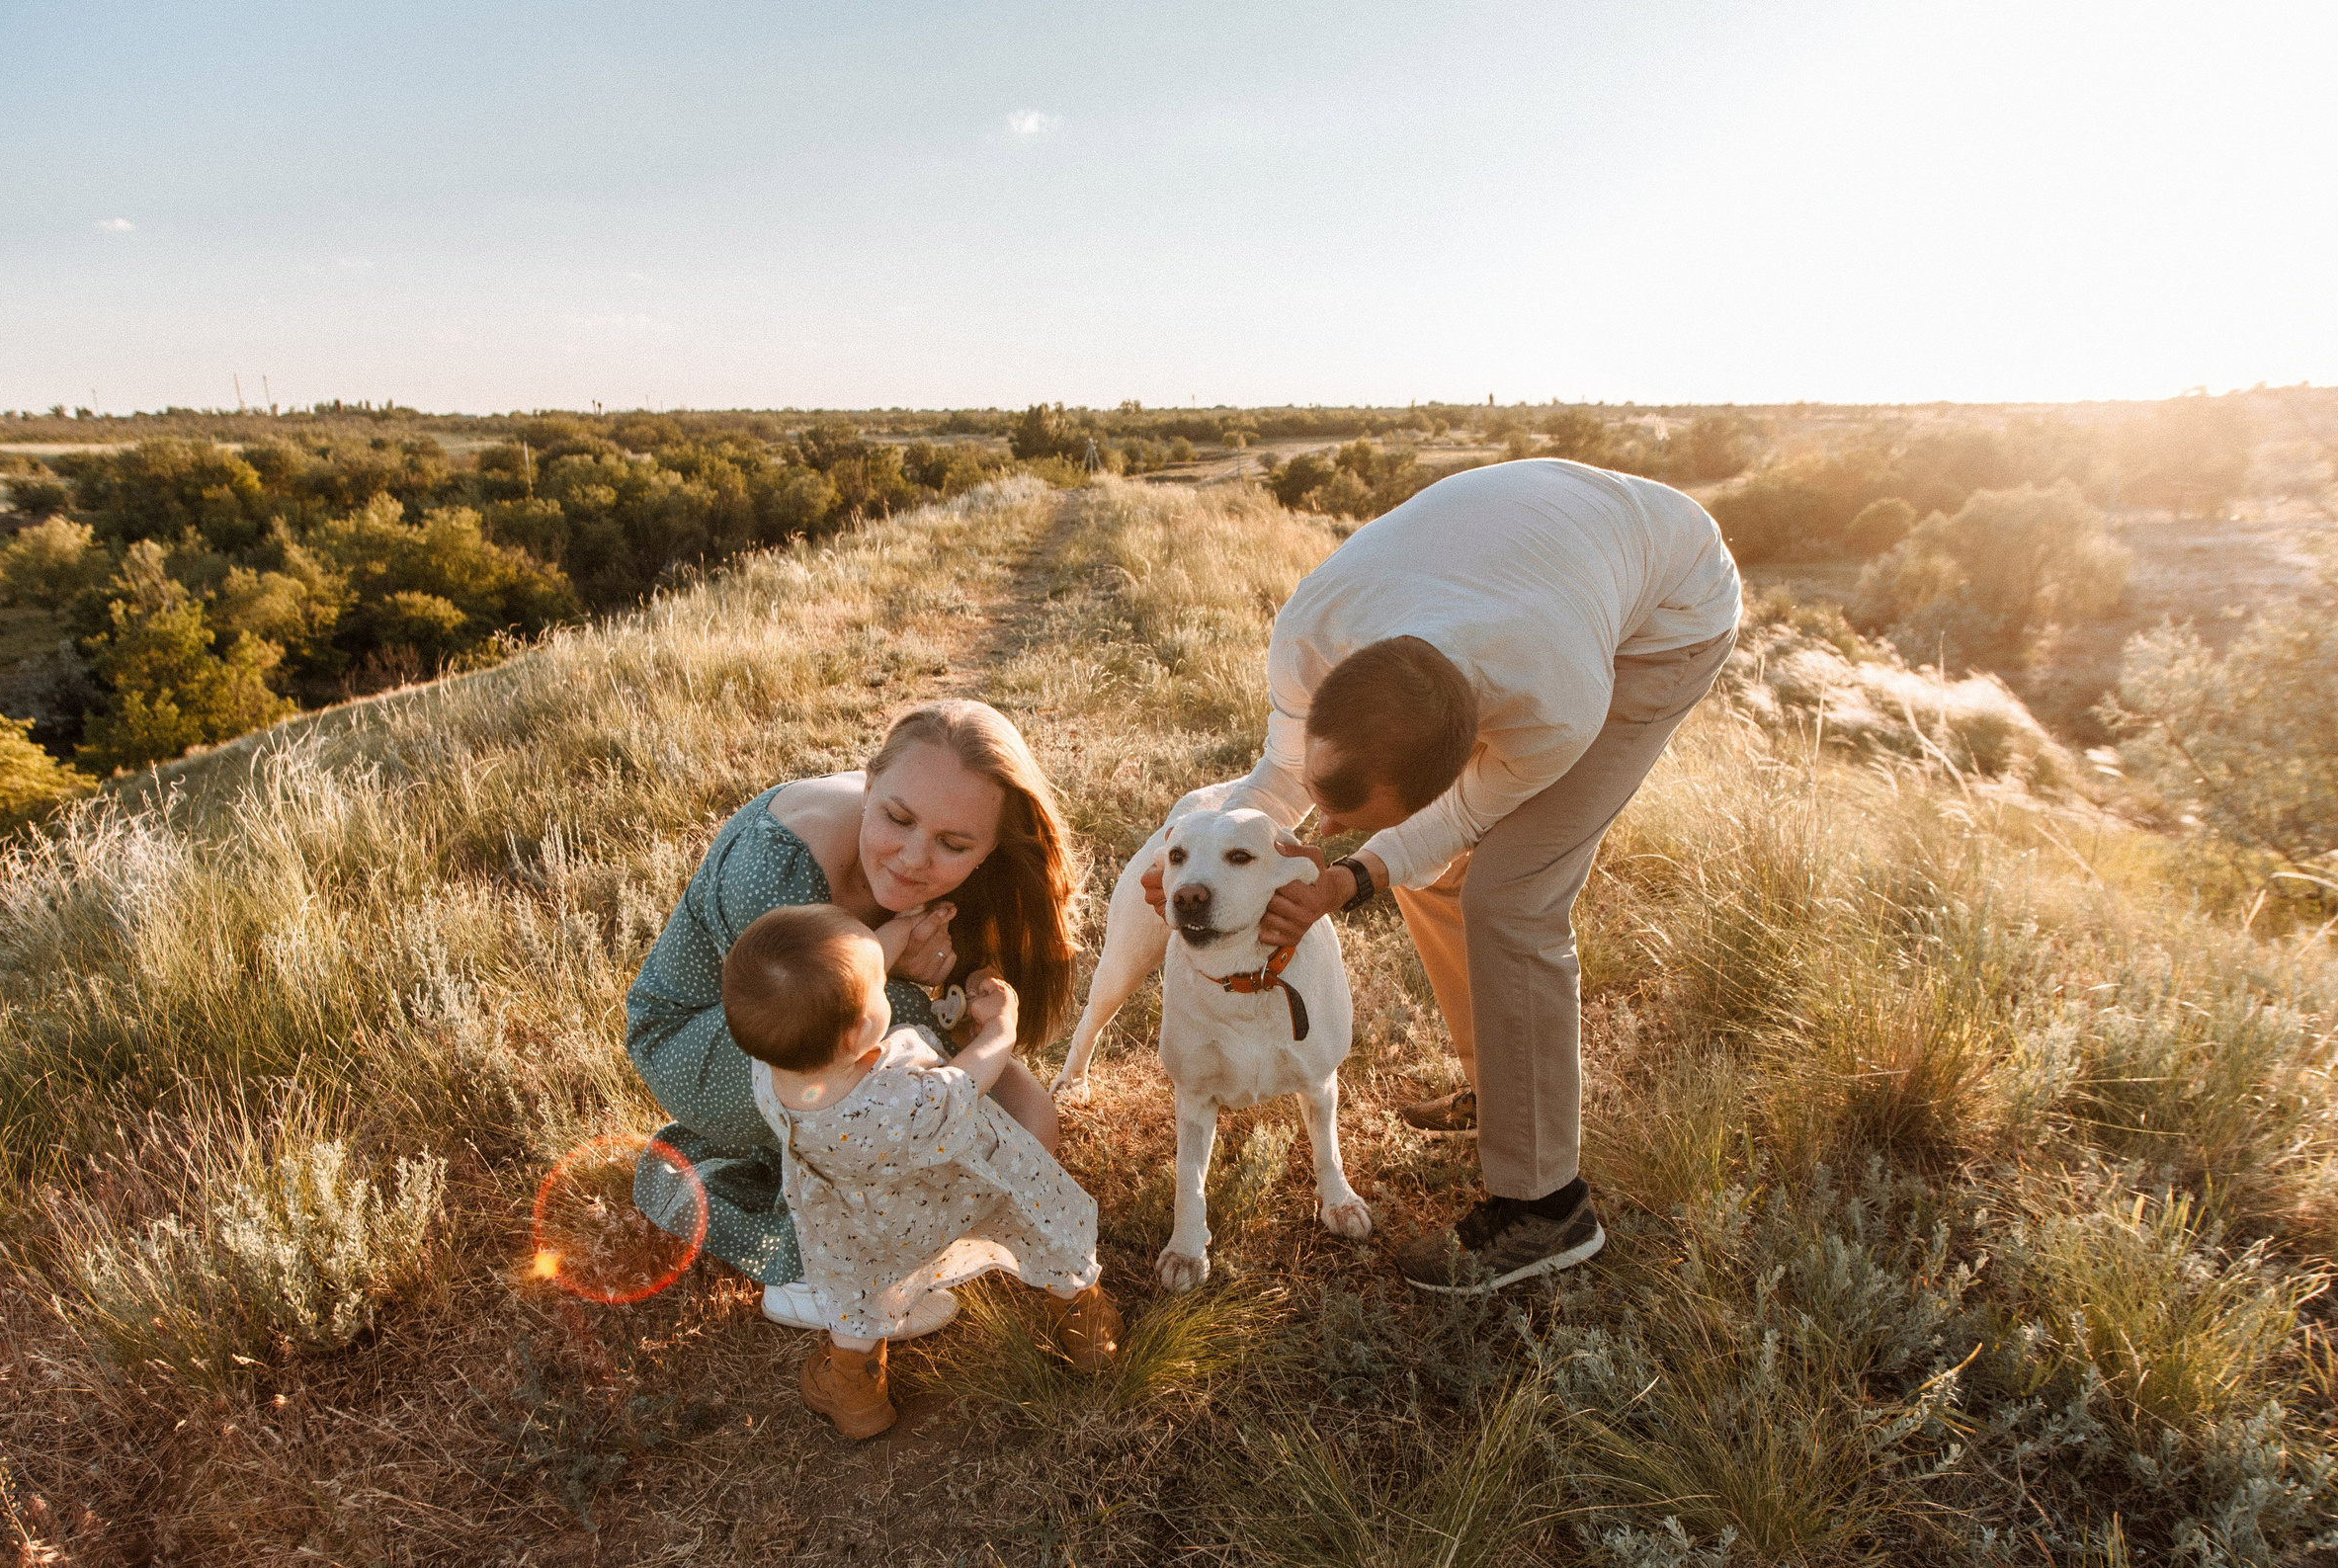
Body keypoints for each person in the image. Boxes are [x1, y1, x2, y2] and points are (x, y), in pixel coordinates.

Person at [1158, 456, 1740, 1292]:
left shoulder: (1555, 706)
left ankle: (1545, 1208)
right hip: (1541, 559)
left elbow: (1458, 821)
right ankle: (1501, 1089)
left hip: (1670, 609)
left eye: (1349, 818)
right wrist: (1198, 854)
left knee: (1509, 893)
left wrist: (1347, 879)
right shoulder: (1310, 633)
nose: (1322, 829)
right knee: (1427, 875)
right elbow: (1280, 780)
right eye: (1328, 798)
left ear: (1457, 762)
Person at [626, 700, 1079, 1333]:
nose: (915, 859)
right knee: (890, 1130)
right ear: (869, 786)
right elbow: (806, 1033)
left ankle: (872, 1226)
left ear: (990, 846)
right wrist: (913, 989)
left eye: (954, 844)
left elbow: (936, 1006)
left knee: (1031, 1125)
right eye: (896, 817)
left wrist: (961, 989)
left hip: (865, 1019)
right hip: (725, 1035)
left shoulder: (969, 842)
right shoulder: (775, 869)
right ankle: (815, 1267)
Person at [725, 904, 1120, 1440]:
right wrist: (1002, 1022)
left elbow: (843, 984)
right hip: (967, 1189)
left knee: (856, 1294)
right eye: (877, 989)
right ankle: (1088, 1329)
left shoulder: (773, 1069)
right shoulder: (901, 1106)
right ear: (859, 1031)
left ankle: (855, 1393)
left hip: (866, 1225)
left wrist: (893, 935)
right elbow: (970, 1077)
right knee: (1043, 1225)